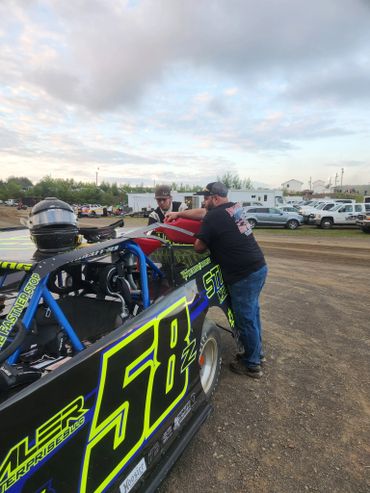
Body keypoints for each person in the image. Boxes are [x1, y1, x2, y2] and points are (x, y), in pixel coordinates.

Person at [165, 182, 268, 378]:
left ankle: (252, 364)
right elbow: (203, 213)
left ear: (215, 198)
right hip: (258, 267)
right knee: (252, 314)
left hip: (243, 275)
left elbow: (198, 247)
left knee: (245, 318)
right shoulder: (233, 207)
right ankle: (257, 354)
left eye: (206, 198)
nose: (203, 202)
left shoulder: (214, 217)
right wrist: (179, 215)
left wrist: (197, 234)